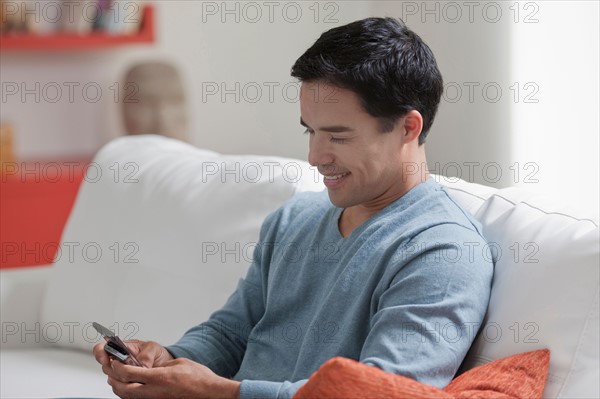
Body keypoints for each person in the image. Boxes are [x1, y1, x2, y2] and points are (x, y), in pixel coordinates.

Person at [94, 17, 494, 399]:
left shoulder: (444, 252)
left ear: (408, 127)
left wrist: (220, 392)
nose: (315, 156)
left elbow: (381, 392)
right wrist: (168, 360)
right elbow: (231, 333)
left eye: (338, 136)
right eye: (311, 131)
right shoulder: (293, 219)